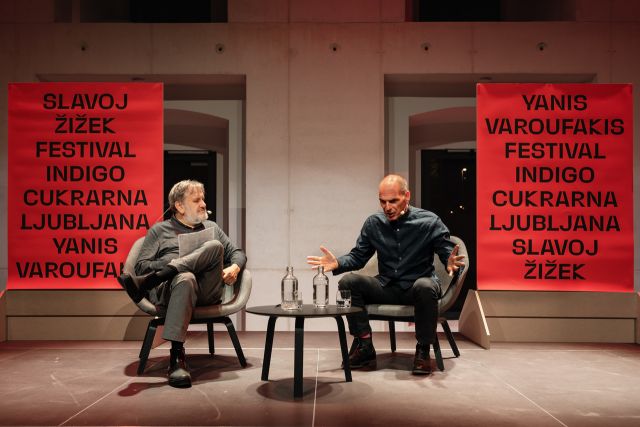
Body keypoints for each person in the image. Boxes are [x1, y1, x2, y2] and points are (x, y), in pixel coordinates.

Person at [307, 174, 464, 375]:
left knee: (425, 286)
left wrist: (451, 262)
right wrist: (338, 262)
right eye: (383, 201)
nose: (387, 207)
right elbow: (358, 257)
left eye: (393, 201)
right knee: (349, 282)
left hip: (417, 287)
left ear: (407, 196)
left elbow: (448, 254)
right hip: (387, 286)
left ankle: (423, 350)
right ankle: (365, 345)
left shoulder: (429, 221)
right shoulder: (374, 223)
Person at [117, 180, 247, 388]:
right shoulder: (159, 231)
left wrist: (235, 267)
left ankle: (153, 280)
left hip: (206, 292)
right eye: (196, 200)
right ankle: (176, 358)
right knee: (185, 277)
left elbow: (237, 253)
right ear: (179, 206)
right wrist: (178, 262)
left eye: (203, 199)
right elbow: (141, 267)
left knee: (214, 245)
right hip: (173, 291)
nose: (203, 204)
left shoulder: (212, 228)